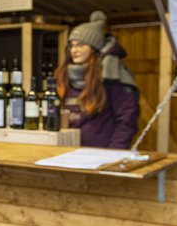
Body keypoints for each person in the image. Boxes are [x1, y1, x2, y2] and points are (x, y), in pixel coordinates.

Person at [55, 10, 139, 149]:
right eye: (72, 45)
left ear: (94, 48)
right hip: (69, 150)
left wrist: (114, 153)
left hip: (101, 152)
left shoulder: (112, 76)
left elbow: (126, 120)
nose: (75, 50)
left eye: (81, 45)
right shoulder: (64, 75)